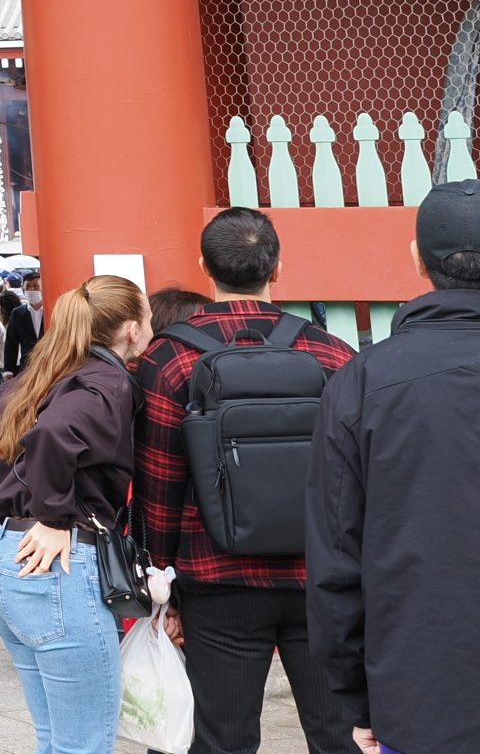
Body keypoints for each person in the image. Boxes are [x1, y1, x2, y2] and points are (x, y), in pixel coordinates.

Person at [135, 209, 354, 754]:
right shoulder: (331, 353)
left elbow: (160, 483)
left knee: (223, 738)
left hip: (217, 576)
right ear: (276, 268)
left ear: (203, 265)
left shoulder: (167, 358)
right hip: (318, 577)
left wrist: (164, 580)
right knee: (341, 734)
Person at [0, 273, 150, 754]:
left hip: (7, 561)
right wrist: (54, 516)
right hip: (54, 564)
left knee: (57, 740)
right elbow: (54, 436)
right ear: (131, 330)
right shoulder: (106, 381)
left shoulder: (50, 372)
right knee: (83, 745)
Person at [307, 179, 480, 754]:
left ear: (416, 259)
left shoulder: (363, 381)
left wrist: (358, 695)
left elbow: (336, 559)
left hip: (419, 691)